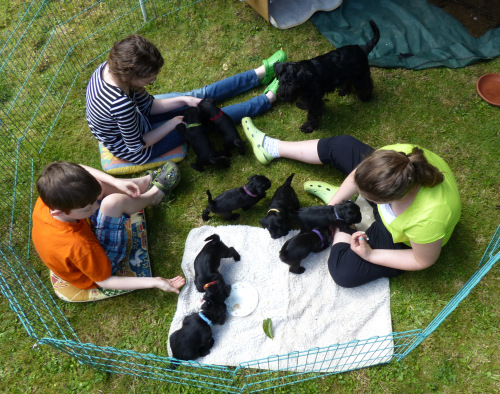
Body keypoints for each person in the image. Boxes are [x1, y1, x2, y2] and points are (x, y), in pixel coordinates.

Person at [242, 117, 462, 288]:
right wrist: (332, 207)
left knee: (343, 272)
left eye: (364, 194)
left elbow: (422, 260)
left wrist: (370, 254)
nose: (357, 189)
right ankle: (271, 147)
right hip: (388, 194)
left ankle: (344, 220)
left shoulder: (428, 217)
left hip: (402, 238)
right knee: (343, 144)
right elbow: (357, 176)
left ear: (386, 200)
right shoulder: (398, 157)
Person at [85, 34, 286, 164]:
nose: (152, 82)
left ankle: (259, 74)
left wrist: (184, 100)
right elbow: (137, 145)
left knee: (195, 97)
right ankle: (267, 99)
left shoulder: (110, 67)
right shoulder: (120, 104)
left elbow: (148, 106)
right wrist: (173, 123)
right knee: (203, 120)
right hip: (136, 147)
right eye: (149, 80)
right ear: (131, 76)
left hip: (137, 119)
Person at [32, 160, 185, 294]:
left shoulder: (51, 198)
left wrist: (115, 181)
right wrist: (155, 281)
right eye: (87, 208)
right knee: (113, 203)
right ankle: (154, 196)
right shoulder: (81, 247)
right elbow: (104, 281)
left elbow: (80, 169)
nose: (95, 207)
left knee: (93, 186)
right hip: (97, 266)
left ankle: (142, 183)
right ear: (58, 211)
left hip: (80, 246)